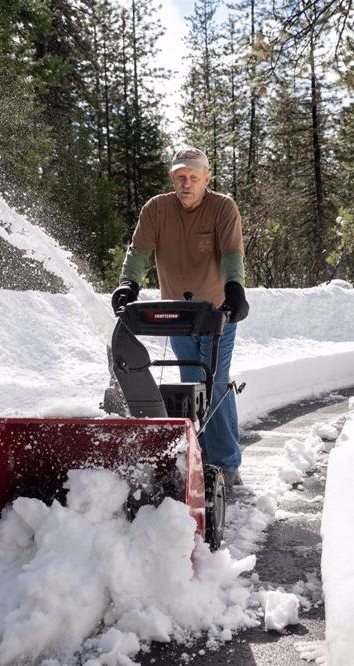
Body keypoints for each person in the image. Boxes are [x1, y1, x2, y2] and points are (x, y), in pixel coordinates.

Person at [111, 147, 249, 487]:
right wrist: (128, 285)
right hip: (177, 316)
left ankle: (228, 465)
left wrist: (235, 289)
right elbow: (139, 252)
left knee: (214, 383)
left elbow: (232, 253)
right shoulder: (157, 209)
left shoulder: (222, 207)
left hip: (218, 313)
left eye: (193, 177)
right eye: (180, 177)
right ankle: (199, 459)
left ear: (206, 179)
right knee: (191, 386)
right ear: (173, 178)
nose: (186, 184)